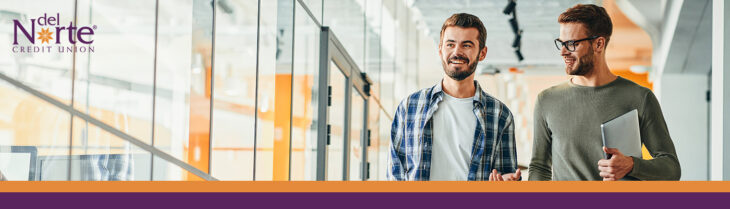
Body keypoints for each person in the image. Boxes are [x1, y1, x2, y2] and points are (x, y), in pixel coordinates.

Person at [528, 4, 681, 181]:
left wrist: (632, 165)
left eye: (571, 44)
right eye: (561, 43)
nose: (563, 52)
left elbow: (671, 169)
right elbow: (539, 167)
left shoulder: (640, 98)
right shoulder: (547, 101)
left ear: (598, 44)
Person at [388, 13, 520, 181]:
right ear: (440, 49)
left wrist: (507, 183)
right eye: (450, 44)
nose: (457, 52)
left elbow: (506, 175)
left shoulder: (500, 115)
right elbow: (395, 174)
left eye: (467, 45)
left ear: (482, 53)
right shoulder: (410, 107)